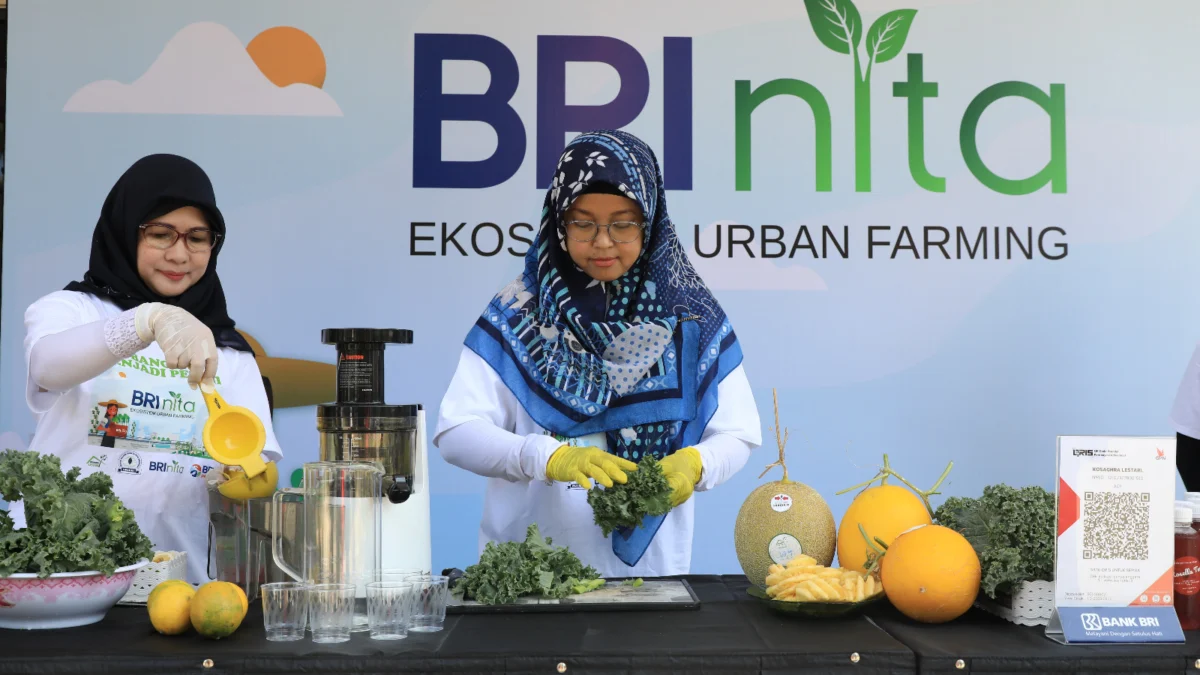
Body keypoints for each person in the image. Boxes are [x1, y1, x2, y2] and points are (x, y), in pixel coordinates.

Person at [435, 130, 761, 577]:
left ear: (650, 222)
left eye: (623, 223)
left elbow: (737, 433)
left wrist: (696, 464)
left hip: (651, 583)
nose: (603, 242)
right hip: (530, 582)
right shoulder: (518, 313)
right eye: (583, 223)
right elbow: (456, 433)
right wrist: (545, 458)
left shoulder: (690, 318)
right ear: (558, 221)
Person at [20, 154, 281, 583]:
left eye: (198, 238)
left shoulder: (229, 352)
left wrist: (248, 476)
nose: (180, 254)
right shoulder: (70, 309)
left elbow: (254, 462)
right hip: (66, 584)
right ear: (125, 231)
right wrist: (144, 321)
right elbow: (47, 368)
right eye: (161, 234)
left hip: (186, 592)